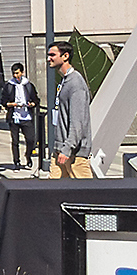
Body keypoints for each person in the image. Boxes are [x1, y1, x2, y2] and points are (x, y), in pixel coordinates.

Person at [48, 41, 94, 179]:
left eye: (52, 55)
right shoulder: (65, 81)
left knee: (87, 196)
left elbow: (77, 121)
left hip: (74, 154)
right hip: (60, 150)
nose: (48, 58)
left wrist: (67, 148)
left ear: (65, 56)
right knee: (51, 193)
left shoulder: (76, 83)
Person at [3, 63, 40, 169]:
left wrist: (31, 104)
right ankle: (16, 161)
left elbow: (36, 99)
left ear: (22, 72)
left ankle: (28, 156)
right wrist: (12, 104)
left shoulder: (28, 85)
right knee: (15, 141)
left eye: (17, 73)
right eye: (14, 73)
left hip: (26, 116)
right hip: (14, 117)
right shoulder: (9, 86)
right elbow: (4, 101)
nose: (15, 76)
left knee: (30, 139)